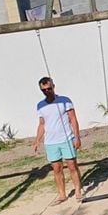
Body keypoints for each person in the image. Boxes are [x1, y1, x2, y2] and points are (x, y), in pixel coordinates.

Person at [33, 77, 82, 205]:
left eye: (49, 88)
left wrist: (77, 137)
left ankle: (78, 190)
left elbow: (73, 119)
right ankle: (62, 194)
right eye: (44, 90)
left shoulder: (64, 101)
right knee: (57, 169)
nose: (47, 91)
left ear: (53, 86)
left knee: (72, 166)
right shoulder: (40, 105)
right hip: (51, 142)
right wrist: (37, 140)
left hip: (66, 139)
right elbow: (42, 124)